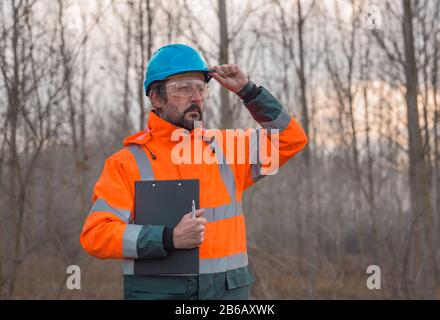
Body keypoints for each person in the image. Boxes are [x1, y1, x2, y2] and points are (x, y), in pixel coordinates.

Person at [80, 43, 308, 300]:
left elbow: (291, 139)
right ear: (156, 97)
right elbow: (96, 235)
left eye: (201, 88)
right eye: (184, 88)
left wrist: (249, 92)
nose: (196, 97)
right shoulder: (127, 163)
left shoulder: (227, 150)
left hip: (228, 294)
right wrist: (167, 238)